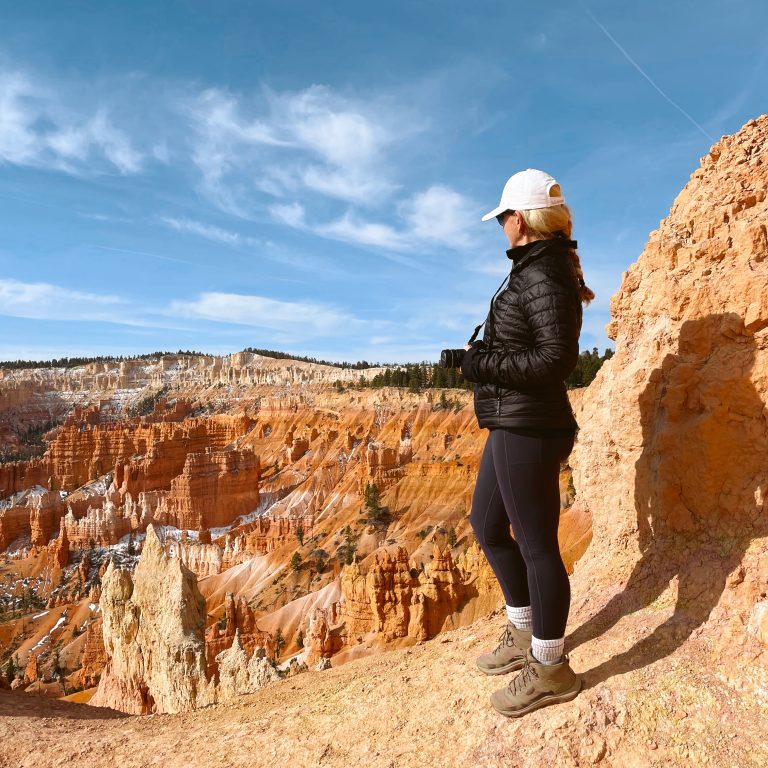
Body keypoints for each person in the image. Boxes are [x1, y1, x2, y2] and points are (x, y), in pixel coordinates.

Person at [458, 168, 594, 718]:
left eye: (503, 219)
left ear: (518, 219)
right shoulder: (538, 269)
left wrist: (478, 362)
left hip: (530, 427)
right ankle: (522, 634)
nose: (501, 229)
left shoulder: (545, 274)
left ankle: (551, 667)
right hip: (513, 420)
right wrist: (473, 359)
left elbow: (553, 360)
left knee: (538, 546)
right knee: (486, 525)